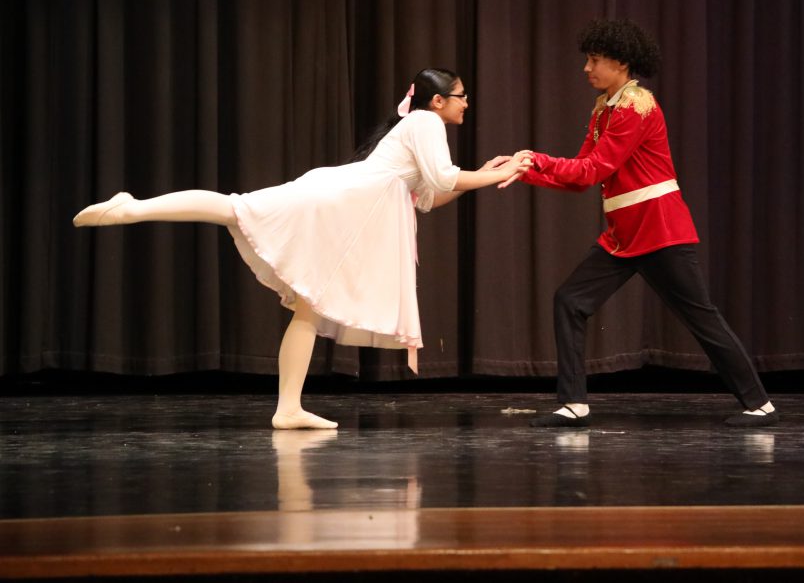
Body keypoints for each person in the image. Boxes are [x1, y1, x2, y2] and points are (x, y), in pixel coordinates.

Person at [74, 68, 531, 430]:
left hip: (353, 214)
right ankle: (133, 207)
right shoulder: (426, 121)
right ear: (438, 101)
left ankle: (288, 408)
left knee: (309, 306)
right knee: (239, 209)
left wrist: (482, 176)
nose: (466, 103)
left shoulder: (419, 125)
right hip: (341, 207)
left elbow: (431, 196)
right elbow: (444, 178)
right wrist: (496, 173)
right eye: (461, 96)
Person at [503, 20, 777, 428]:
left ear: (621, 63)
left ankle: (759, 404)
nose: (587, 68)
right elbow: (581, 175)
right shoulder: (605, 109)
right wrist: (524, 170)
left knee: (701, 318)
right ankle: (574, 402)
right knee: (570, 301)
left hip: (659, 231)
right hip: (625, 234)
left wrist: (535, 159)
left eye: (595, 60)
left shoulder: (635, 106)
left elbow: (595, 169)